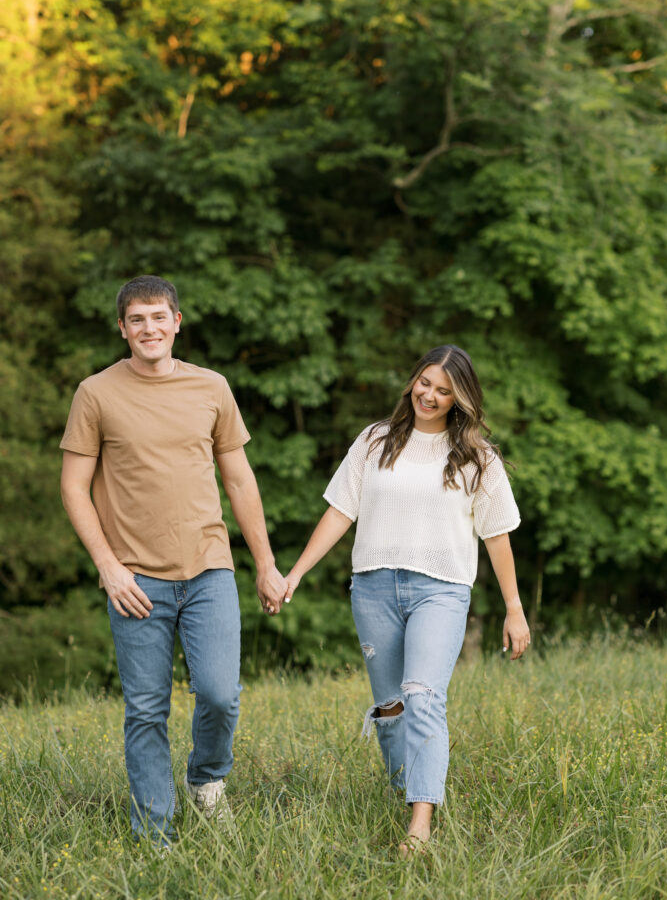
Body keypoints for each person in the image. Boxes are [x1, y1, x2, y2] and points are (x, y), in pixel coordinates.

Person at [60, 275, 287, 846]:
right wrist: (109, 568)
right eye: (136, 319)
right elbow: (73, 486)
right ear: (122, 328)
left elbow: (240, 479)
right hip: (134, 579)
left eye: (158, 317)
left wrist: (265, 564)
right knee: (145, 710)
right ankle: (154, 836)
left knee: (219, 694)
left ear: (177, 322)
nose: (149, 328)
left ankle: (206, 780)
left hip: (209, 569)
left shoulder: (212, 387)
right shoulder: (96, 393)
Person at [284, 344, 530, 856]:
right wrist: (297, 573)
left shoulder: (478, 458)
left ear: (460, 399)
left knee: (422, 696)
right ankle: (406, 791)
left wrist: (514, 609)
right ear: (412, 381)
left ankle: (420, 825)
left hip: (441, 590)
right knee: (391, 708)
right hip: (373, 588)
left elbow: (497, 535)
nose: (430, 396)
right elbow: (339, 511)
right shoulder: (375, 441)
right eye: (425, 383)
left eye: (444, 391)